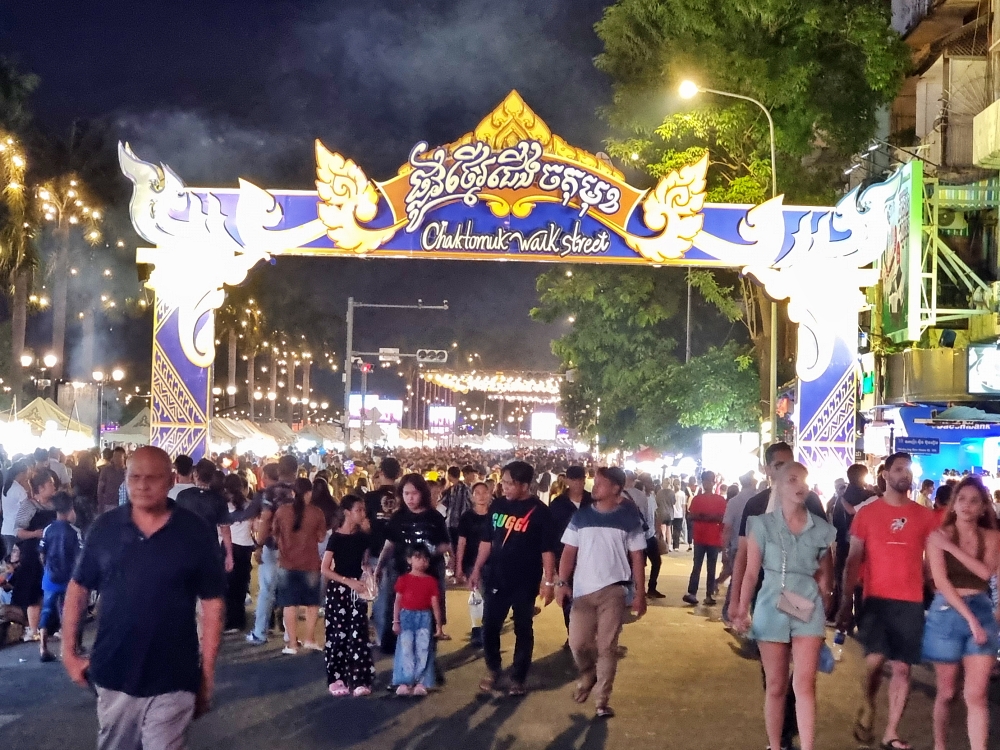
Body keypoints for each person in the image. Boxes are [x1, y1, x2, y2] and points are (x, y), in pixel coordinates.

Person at [61, 446, 226, 750]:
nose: (142, 485)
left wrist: (207, 672)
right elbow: (78, 588)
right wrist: (68, 652)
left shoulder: (194, 532)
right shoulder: (105, 528)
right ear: (125, 478)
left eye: (152, 478)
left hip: (173, 675)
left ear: (171, 480)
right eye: (135, 477)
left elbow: (212, 603)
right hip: (114, 672)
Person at [836, 452, 939, 750]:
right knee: (875, 662)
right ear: (885, 475)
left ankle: (891, 732)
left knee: (903, 668)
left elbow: (931, 560)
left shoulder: (925, 516)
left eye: (908, 470)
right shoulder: (867, 514)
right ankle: (869, 703)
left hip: (911, 600)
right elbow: (853, 558)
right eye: (898, 469)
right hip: (877, 599)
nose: (904, 474)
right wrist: (845, 600)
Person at [733, 462, 835, 750]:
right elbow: (752, 572)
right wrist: (741, 607)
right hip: (770, 603)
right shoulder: (762, 525)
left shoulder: (822, 529)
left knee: (804, 685)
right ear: (778, 484)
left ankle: (808, 746)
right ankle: (775, 745)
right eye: (792, 479)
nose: (800, 485)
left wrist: (826, 591)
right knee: (776, 685)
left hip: (807, 606)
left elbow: (826, 572)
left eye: (803, 480)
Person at [556, 466, 647, 719]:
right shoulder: (581, 517)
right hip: (582, 592)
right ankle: (588, 674)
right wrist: (562, 583)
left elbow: (638, 557)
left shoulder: (629, 519)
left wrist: (640, 593)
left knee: (607, 647)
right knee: (578, 643)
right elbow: (568, 553)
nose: (594, 487)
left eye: (601, 483)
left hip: (614, 590)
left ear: (616, 489)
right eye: (594, 482)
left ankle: (601, 701)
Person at [921, 476, 1000, 750]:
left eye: (974, 501)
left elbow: (985, 572)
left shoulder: (991, 537)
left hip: (980, 606)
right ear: (953, 505)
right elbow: (941, 582)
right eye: (961, 499)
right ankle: (940, 745)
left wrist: (950, 547)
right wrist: (970, 620)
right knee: (946, 692)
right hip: (946, 610)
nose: (967, 506)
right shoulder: (937, 536)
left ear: (983, 508)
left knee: (976, 694)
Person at [470, 460, 558, 697]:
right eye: (504, 482)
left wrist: (549, 582)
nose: (504, 487)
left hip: (526, 580)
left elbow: (547, 550)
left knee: (523, 627)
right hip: (496, 577)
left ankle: (518, 676)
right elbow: (487, 541)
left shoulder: (540, 512)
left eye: (509, 483)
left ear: (524, 485)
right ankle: (494, 669)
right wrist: (477, 568)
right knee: (489, 626)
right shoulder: (497, 506)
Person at [373, 473, 450, 655]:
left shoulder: (434, 517)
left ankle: (427, 659)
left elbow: (445, 544)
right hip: (401, 572)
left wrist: (426, 553)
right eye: (406, 494)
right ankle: (401, 657)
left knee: (428, 615)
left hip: (428, 574)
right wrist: (379, 567)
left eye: (414, 493)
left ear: (422, 493)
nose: (410, 498)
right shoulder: (398, 517)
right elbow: (389, 543)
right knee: (398, 612)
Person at [322, 494, 376, 698]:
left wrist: (367, 572)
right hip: (339, 591)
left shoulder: (363, 537)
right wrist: (347, 581)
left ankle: (360, 678)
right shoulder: (335, 537)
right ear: (347, 512)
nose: (362, 513)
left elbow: (365, 561)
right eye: (358, 510)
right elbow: (325, 569)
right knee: (338, 634)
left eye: (363, 510)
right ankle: (337, 678)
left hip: (358, 590)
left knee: (359, 633)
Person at [272, 476, 327, 655]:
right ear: (309, 493)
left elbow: (275, 533)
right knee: (312, 603)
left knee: (289, 604)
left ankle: (292, 643)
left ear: (293, 492)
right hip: (310, 563)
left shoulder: (281, 511)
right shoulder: (317, 512)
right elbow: (321, 537)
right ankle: (310, 638)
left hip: (287, 562)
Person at [246, 457, 296, 645]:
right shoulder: (302, 490)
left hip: (274, 545)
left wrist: (258, 545)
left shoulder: (271, 492)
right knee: (290, 590)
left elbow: (266, 518)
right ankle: (289, 634)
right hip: (296, 547)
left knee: (267, 590)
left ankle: (260, 632)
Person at [392, 545, 444, 696]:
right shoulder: (403, 579)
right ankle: (404, 681)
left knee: (423, 649)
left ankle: (421, 681)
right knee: (405, 648)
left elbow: (435, 604)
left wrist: (439, 625)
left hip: (424, 616)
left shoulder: (431, 581)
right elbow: (397, 601)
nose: (422, 561)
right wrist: (395, 621)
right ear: (409, 560)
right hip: (406, 616)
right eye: (418, 557)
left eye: (426, 559)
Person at [13, 468, 58, 641]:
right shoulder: (29, 505)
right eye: (50, 484)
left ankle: (47, 628)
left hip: (51, 553)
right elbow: (18, 531)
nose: (53, 486)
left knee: (48, 591)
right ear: (40, 488)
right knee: (33, 591)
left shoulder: (55, 504)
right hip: (32, 554)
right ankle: (33, 630)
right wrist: (35, 534)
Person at [38, 491, 83, 662]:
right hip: (69, 578)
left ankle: (43, 647)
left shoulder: (48, 530)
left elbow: (42, 553)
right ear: (70, 509)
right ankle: (70, 649)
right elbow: (80, 557)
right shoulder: (74, 531)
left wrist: (47, 569)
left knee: (47, 610)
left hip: (50, 577)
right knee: (69, 612)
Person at [548, 465, 592, 636]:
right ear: (566, 480)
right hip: (565, 557)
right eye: (573, 480)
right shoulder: (558, 504)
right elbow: (551, 533)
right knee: (568, 599)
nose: (577, 484)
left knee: (588, 598)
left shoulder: (592, 501)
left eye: (580, 480)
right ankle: (572, 634)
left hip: (590, 557)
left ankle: (586, 634)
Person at [175, 458, 234, 574]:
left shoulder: (183, 496)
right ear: (212, 477)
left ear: (195, 474)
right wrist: (229, 555)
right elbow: (225, 530)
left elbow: (175, 525)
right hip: (210, 551)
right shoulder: (218, 500)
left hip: (186, 550)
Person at [455, 481, 492, 646]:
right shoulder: (467, 517)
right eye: (477, 493)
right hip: (472, 562)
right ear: (471, 496)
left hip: (494, 562)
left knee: (490, 597)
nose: (481, 496)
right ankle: (477, 629)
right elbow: (461, 542)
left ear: (490, 494)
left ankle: (487, 627)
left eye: (485, 492)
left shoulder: (496, 515)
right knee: (477, 595)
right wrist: (459, 566)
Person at [683, 470, 726, 606]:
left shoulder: (717, 500)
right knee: (700, 566)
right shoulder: (702, 499)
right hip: (703, 538)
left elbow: (722, 518)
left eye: (710, 480)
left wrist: (702, 517)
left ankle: (706, 594)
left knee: (707, 567)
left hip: (710, 538)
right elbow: (691, 516)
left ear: (713, 482)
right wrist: (709, 518)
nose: (708, 483)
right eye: (706, 480)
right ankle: (698, 593)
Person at [720, 471, 757, 623]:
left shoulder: (734, 501)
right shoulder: (761, 499)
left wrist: (724, 549)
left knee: (736, 580)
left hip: (737, 545)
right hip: (758, 548)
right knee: (755, 581)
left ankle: (730, 612)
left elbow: (727, 527)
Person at [222, 474, 254, 633]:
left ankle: (230, 621)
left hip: (230, 546)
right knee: (242, 584)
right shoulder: (249, 505)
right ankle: (239, 620)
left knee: (229, 585)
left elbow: (221, 529)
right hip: (246, 546)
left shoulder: (224, 506)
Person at [1, 459, 30, 560]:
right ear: (22, 473)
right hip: (14, 532)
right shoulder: (19, 489)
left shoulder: (6, 486)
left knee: (7, 560)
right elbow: (28, 507)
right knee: (13, 562)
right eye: (27, 473)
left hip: (5, 529)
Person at [96, 447, 126, 515]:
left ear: (124, 457)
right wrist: (100, 504)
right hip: (108, 504)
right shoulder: (106, 470)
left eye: (119, 456)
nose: (116, 458)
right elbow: (100, 488)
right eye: (115, 456)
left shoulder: (127, 472)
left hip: (122, 505)